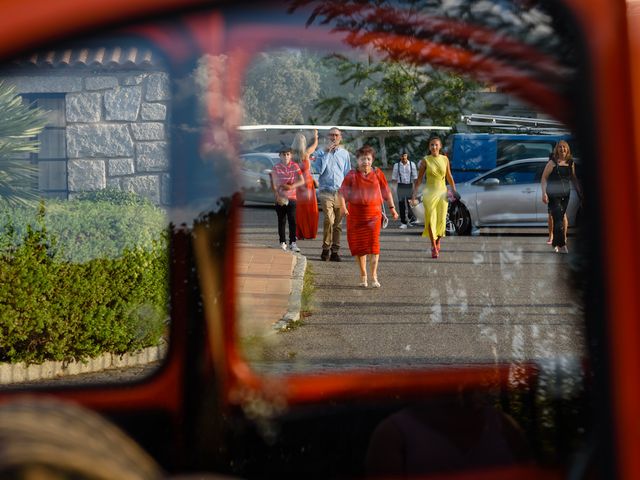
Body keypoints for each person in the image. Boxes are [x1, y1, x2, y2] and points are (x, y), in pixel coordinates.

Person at [338, 145, 398, 288]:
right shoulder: (351, 175)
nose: (365, 162)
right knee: (360, 248)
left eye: (368, 159)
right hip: (356, 217)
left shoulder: (378, 173)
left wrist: (392, 209)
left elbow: (386, 192)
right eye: (362, 159)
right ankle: (363, 276)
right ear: (357, 160)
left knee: (373, 246)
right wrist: (343, 207)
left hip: (373, 216)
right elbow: (341, 193)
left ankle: (374, 276)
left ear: (372, 160)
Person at [412, 135, 457, 259]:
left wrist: (454, 191)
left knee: (442, 220)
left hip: (442, 193)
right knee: (431, 219)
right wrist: (414, 195)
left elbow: (449, 176)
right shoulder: (425, 160)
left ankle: (438, 241)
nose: (434, 147)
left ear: (440, 146)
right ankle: (433, 245)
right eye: (432, 145)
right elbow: (420, 179)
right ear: (429, 147)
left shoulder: (445, 159)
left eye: (436, 144)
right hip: (429, 194)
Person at [313, 127, 352, 261]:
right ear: (327, 137)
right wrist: (326, 154)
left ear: (340, 137)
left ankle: (335, 251)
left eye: (336, 135)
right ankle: (325, 248)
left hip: (340, 192)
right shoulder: (320, 153)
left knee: (338, 224)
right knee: (329, 220)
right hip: (326, 191)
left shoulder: (344, 154)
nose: (333, 137)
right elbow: (318, 170)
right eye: (331, 135)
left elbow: (347, 173)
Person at [541, 140, 581, 254]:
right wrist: (543, 193)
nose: (562, 149)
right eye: (560, 147)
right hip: (553, 194)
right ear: (557, 150)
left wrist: (579, 192)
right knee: (558, 218)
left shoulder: (570, 162)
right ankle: (562, 244)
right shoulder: (552, 163)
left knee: (561, 217)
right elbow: (543, 178)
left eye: (564, 147)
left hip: (566, 194)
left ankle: (556, 244)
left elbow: (573, 178)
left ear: (568, 149)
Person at [270, 147, 305, 252]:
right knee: (281, 220)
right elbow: (273, 183)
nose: (286, 156)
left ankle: (293, 243)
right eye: (283, 154)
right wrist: (276, 194)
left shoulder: (295, 166)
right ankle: (282, 242)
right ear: (280, 156)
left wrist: (292, 186)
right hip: (281, 197)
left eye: (288, 154)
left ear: (291, 156)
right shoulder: (276, 167)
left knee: (292, 220)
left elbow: (302, 181)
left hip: (292, 197)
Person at [291, 129, 319, 240]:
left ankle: (300, 233)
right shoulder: (306, 154)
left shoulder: (291, 156)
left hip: (298, 184)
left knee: (299, 209)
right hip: (307, 184)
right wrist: (316, 136)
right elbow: (315, 145)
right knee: (310, 209)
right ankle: (309, 232)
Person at [391, 151, 418, 229]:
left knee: (410, 204)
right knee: (401, 204)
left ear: (407, 156)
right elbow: (394, 177)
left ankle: (410, 219)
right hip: (401, 186)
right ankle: (403, 222)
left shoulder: (412, 164)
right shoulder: (397, 165)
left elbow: (415, 177)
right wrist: (393, 188)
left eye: (405, 156)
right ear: (400, 157)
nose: (403, 157)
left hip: (409, 186)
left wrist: (416, 188)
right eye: (402, 156)